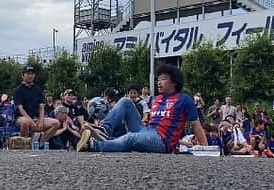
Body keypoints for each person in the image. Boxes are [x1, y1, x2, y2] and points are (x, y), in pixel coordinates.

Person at [77, 64, 207, 153]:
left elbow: (196, 125)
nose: (159, 82)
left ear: (174, 82)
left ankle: (93, 145)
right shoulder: (155, 99)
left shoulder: (184, 99)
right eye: (158, 79)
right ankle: (104, 131)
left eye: (163, 79)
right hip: (146, 130)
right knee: (125, 101)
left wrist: (206, 148)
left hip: (161, 141)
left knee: (130, 137)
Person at [13, 66, 59, 148]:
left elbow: (41, 107)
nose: (30, 76)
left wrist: (41, 121)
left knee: (56, 123)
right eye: (28, 74)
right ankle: (25, 145)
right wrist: (31, 121)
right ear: (23, 75)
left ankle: (39, 144)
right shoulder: (18, 90)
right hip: (21, 118)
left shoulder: (38, 90)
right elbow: (20, 109)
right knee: (25, 122)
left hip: (36, 118)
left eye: (32, 74)